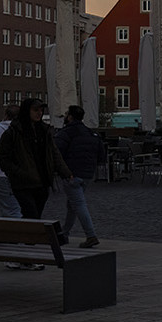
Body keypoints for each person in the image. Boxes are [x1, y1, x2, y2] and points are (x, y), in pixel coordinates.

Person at [0, 98, 73, 223]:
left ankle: (27, 239)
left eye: (41, 110)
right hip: (23, 183)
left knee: (34, 217)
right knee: (32, 216)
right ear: (27, 111)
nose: (39, 113)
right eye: (35, 110)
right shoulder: (14, 131)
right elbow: (0, 157)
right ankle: (28, 240)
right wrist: (17, 172)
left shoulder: (44, 130)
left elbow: (54, 153)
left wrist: (66, 172)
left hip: (42, 181)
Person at [54, 105, 105, 248]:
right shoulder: (91, 133)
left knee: (79, 205)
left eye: (66, 114)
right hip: (87, 174)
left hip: (71, 174)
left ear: (70, 117)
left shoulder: (66, 133)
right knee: (72, 205)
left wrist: (60, 170)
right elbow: (102, 156)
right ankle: (64, 234)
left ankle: (91, 235)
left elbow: (56, 153)